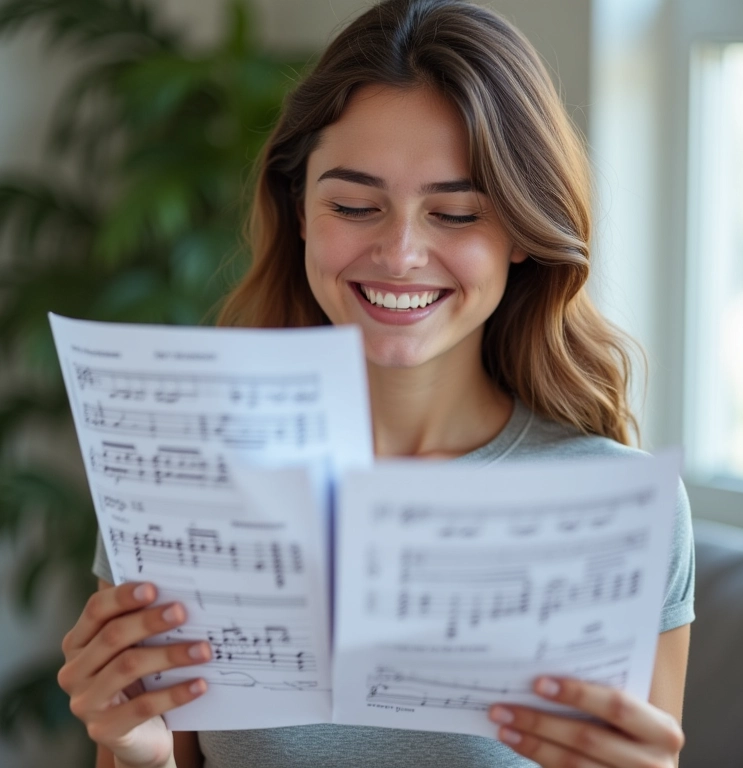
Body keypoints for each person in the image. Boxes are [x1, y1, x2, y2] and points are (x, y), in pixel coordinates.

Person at [57, 0, 695, 766]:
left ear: (523, 232)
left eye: (456, 213)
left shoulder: (615, 510)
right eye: (355, 206)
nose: (399, 255)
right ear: (297, 210)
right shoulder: (184, 482)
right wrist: (138, 751)